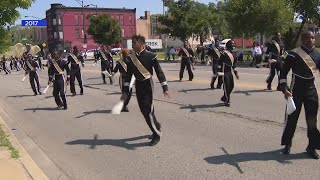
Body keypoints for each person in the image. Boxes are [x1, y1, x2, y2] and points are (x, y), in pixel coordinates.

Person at [122, 35, 170, 146]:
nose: (133, 44)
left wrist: (165, 88)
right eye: (132, 42)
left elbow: (159, 72)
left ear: (141, 44)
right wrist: (125, 90)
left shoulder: (151, 56)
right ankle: (156, 126)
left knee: (147, 111)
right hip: (138, 85)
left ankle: (157, 133)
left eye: (135, 42)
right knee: (146, 111)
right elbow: (128, 76)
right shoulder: (130, 58)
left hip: (148, 85)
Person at [279, 31, 320, 159]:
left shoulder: (318, 55)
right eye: (308, 38)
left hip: (311, 90)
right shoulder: (292, 54)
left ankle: (311, 147)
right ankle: (287, 144)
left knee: (312, 121)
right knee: (291, 119)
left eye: (313, 38)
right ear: (302, 39)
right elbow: (283, 73)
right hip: (295, 90)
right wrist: (284, 88)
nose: (311, 40)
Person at [218, 40, 239, 106]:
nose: (233, 45)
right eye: (232, 44)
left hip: (230, 72)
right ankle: (227, 100)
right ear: (228, 45)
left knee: (231, 86)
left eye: (233, 44)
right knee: (226, 86)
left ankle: (224, 97)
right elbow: (219, 63)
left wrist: (236, 74)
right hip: (224, 72)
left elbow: (234, 66)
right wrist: (218, 71)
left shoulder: (234, 54)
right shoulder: (224, 53)